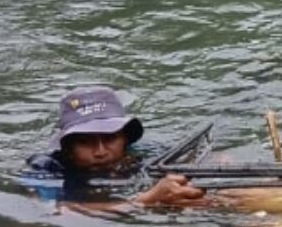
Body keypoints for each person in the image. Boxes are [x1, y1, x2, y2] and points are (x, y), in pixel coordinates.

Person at [21, 85, 204, 207]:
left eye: (110, 138)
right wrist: (145, 201)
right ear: (67, 147)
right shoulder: (44, 168)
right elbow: (51, 215)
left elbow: (201, 158)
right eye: (85, 141)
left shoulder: (147, 155)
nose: (100, 152)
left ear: (125, 139)